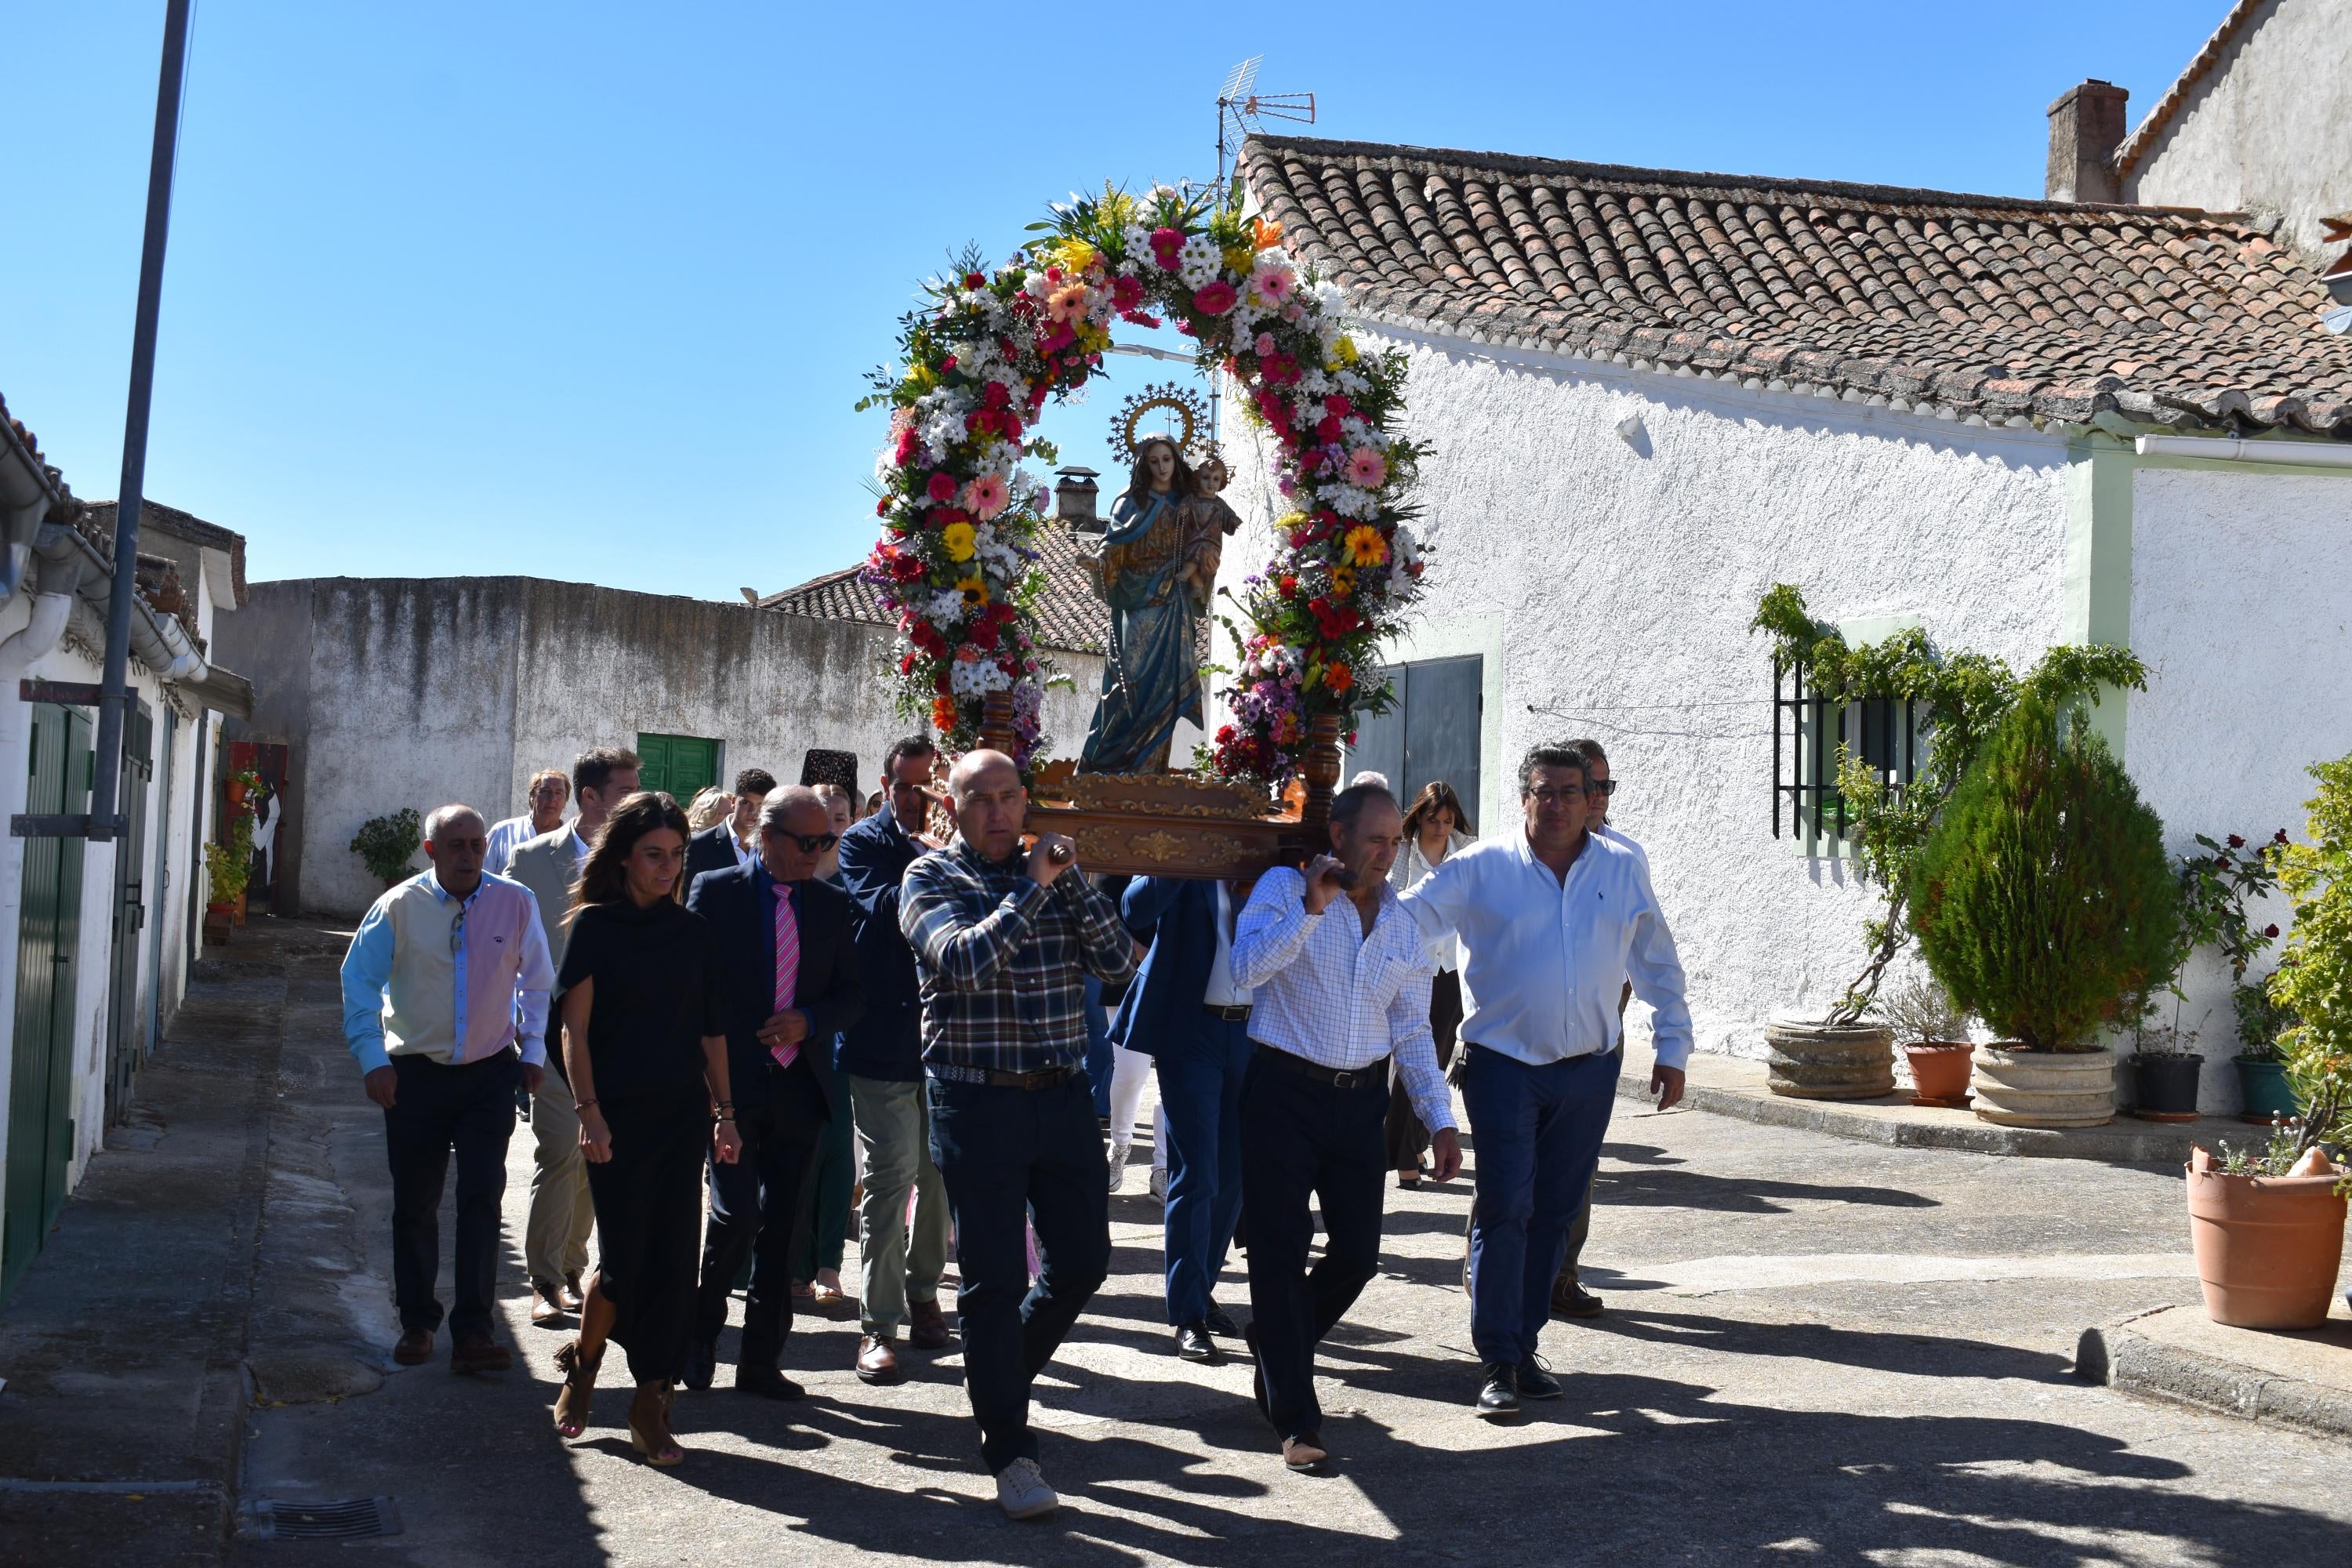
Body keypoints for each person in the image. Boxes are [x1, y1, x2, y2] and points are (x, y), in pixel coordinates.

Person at [1400, 742, 1690, 1420]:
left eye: (1570, 791)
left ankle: (1524, 1345)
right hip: (1503, 1066)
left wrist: (1673, 1044)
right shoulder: (1480, 869)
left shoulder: (1621, 868)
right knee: (1507, 1207)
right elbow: (1404, 921)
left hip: (1590, 1069)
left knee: (1557, 1212)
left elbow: (1656, 959)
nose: (1556, 804)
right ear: (1523, 797)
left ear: (1592, 798)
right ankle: (1498, 1357)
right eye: (1543, 791)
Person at [900, 750, 1136, 1519]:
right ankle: (1009, 1444)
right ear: (952, 804)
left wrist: (1071, 880)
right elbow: (963, 960)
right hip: (977, 1100)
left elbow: (1116, 964)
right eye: (982, 799)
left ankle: (996, 1378)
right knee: (993, 1280)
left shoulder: (1054, 871)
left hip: (1062, 1094)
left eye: (1010, 797)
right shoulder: (930, 878)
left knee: (1084, 1261)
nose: (999, 812)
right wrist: (1034, 890)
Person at [1229, 782, 1461, 1472]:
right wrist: (1310, 906)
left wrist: (1439, 1121)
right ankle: (1296, 1418)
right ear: (1338, 837)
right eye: (1375, 839)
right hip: (1283, 1093)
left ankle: (1278, 1341)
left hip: (1360, 1103)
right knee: (1277, 1253)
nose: (1387, 853)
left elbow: (1414, 1031)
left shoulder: (1401, 924)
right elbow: (1246, 970)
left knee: (1359, 1256)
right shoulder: (1282, 888)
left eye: (1395, 841)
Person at [549, 792, 742, 1465]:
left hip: (679, 1115)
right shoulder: (597, 927)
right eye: (654, 855)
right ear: (625, 857)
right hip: (614, 1116)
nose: (667, 868)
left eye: (677, 855)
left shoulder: (694, 933)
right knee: (625, 1262)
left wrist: (725, 1115)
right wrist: (589, 1112)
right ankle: (586, 1363)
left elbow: (713, 1030)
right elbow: (573, 1029)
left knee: (671, 1261)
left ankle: (651, 1400)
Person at [339, 804, 554, 1373]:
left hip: (489, 1073)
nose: (468, 855)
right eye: (455, 845)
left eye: (477, 844)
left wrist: (532, 1052)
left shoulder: (515, 901)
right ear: (431, 850)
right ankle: (417, 1321)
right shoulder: (399, 907)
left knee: (482, 1197)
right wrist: (372, 1060)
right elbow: (358, 981)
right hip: (415, 1075)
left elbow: (537, 983)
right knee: (415, 1203)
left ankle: (475, 1332)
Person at [682, 787, 862, 1398]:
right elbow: (695, 994)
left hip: (800, 1088)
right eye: (804, 842)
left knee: (783, 1230)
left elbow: (852, 994)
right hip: (731, 1089)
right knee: (734, 1218)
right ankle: (701, 1335)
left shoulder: (833, 906)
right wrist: (706, 1090)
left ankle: (760, 1362)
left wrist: (810, 1020)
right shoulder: (718, 891)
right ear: (765, 834)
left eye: (825, 842)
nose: (815, 853)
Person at [833, 736, 955, 1385]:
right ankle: (877, 1327)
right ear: (886, 786)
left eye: (929, 787)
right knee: (890, 1176)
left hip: (942, 1046)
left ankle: (924, 1293)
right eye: (907, 787)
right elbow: (880, 910)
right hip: (880, 1041)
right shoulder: (862, 843)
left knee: (938, 1176)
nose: (918, 800)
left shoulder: (953, 848)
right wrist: (924, 860)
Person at [509, 746, 641, 1325]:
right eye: (624, 792)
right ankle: (543, 1280)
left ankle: (572, 1266)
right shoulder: (532, 861)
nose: (635, 802)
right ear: (590, 798)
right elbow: (506, 946)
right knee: (559, 1152)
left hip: (622, 1041)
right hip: (554, 1036)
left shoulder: (640, 861)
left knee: (600, 1156)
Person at [1112, 874, 1256, 1361]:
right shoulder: (1185, 854)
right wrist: (1177, 864)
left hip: (1255, 1031)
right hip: (1191, 1028)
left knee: (1235, 1175)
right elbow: (1133, 909)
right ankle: (1188, 1315)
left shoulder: (1272, 857)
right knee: (1197, 1173)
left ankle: (1202, 1286)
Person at [1551, 737, 1642, 1319]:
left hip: (1601, 1028)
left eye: (1608, 787)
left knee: (1580, 1161)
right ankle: (1489, 1266)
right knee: (1516, 1162)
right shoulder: (1530, 852)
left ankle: (1562, 1275)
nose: (1602, 798)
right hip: (1532, 1028)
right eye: (1594, 786)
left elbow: (1640, 941)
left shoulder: (1627, 856)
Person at [1075, 435, 1200, 775]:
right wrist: (1097, 563)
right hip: (1136, 599)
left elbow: (1206, 540)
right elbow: (1112, 546)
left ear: (1176, 461)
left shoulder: (1190, 502)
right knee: (1126, 680)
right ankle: (1105, 766)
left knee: (1165, 687)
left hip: (1171, 601)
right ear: (1144, 464)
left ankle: (1150, 771)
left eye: (1167, 460)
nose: (1161, 467)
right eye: (1154, 461)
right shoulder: (1130, 502)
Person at [794, 780, 861, 1312]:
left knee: (839, 1149)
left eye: (842, 816)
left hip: (843, 1031)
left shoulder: (860, 878)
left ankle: (828, 1262)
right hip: (787, 1032)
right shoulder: (785, 875)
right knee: (798, 1150)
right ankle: (793, 1263)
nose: (833, 827)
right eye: (825, 817)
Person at [1389, 781, 1473, 1188]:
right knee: (1408, 1060)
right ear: (1418, 818)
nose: (1441, 827)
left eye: (1448, 820)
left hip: (1451, 972)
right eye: (1432, 819)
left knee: (1433, 1063)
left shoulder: (1469, 856)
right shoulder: (1402, 856)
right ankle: (1405, 1154)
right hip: (1410, 970)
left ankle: (1414, 1143)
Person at [686, 766, 775, 885]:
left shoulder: (773, 845)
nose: (753, 812)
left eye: (761, 805)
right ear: (734, 802)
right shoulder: (699, 845)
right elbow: (688, 898)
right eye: (746, 803)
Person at [487, 768, 571, 875]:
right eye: (545, 791)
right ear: (532, 796)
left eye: (558, 793)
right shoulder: (503, 833)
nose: (552, 798)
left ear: (565, 801)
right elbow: (482, 878)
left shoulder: (572, 842)